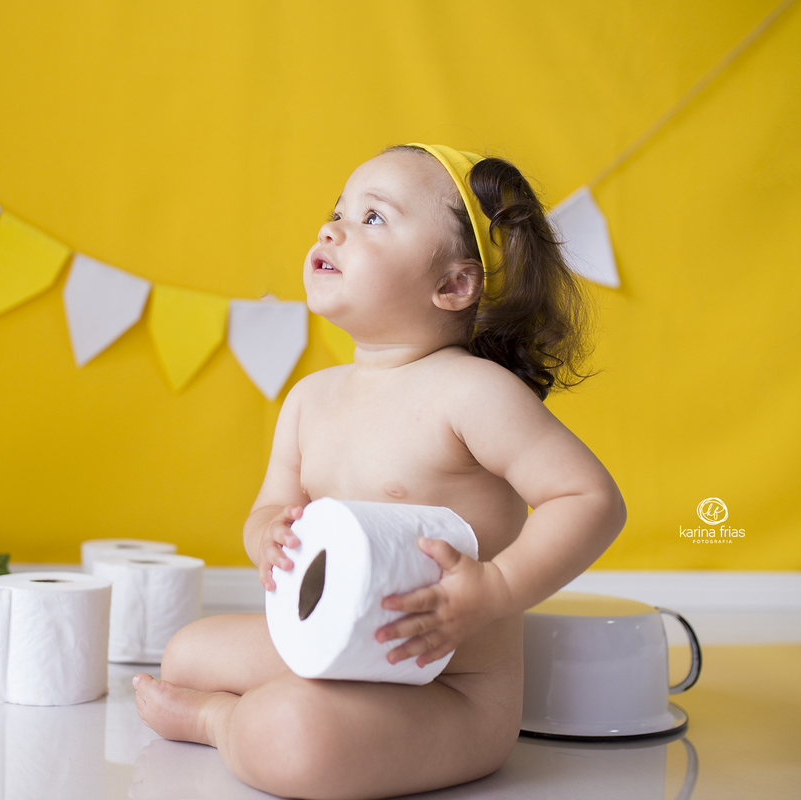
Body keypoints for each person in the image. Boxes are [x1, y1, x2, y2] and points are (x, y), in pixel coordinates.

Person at [132, 143, 627, 800]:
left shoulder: (474, 394)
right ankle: (273, 704)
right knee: (186, 654)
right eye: (337, 211)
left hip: (446, 689)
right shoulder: (309, 399)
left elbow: (590, 497)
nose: (330, 228)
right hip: (329, 649)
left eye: (373, 218)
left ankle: (221, 721)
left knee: (293, 733)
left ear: (453, 285)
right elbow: (266, 511)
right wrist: (267, 536)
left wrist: (496, 588)